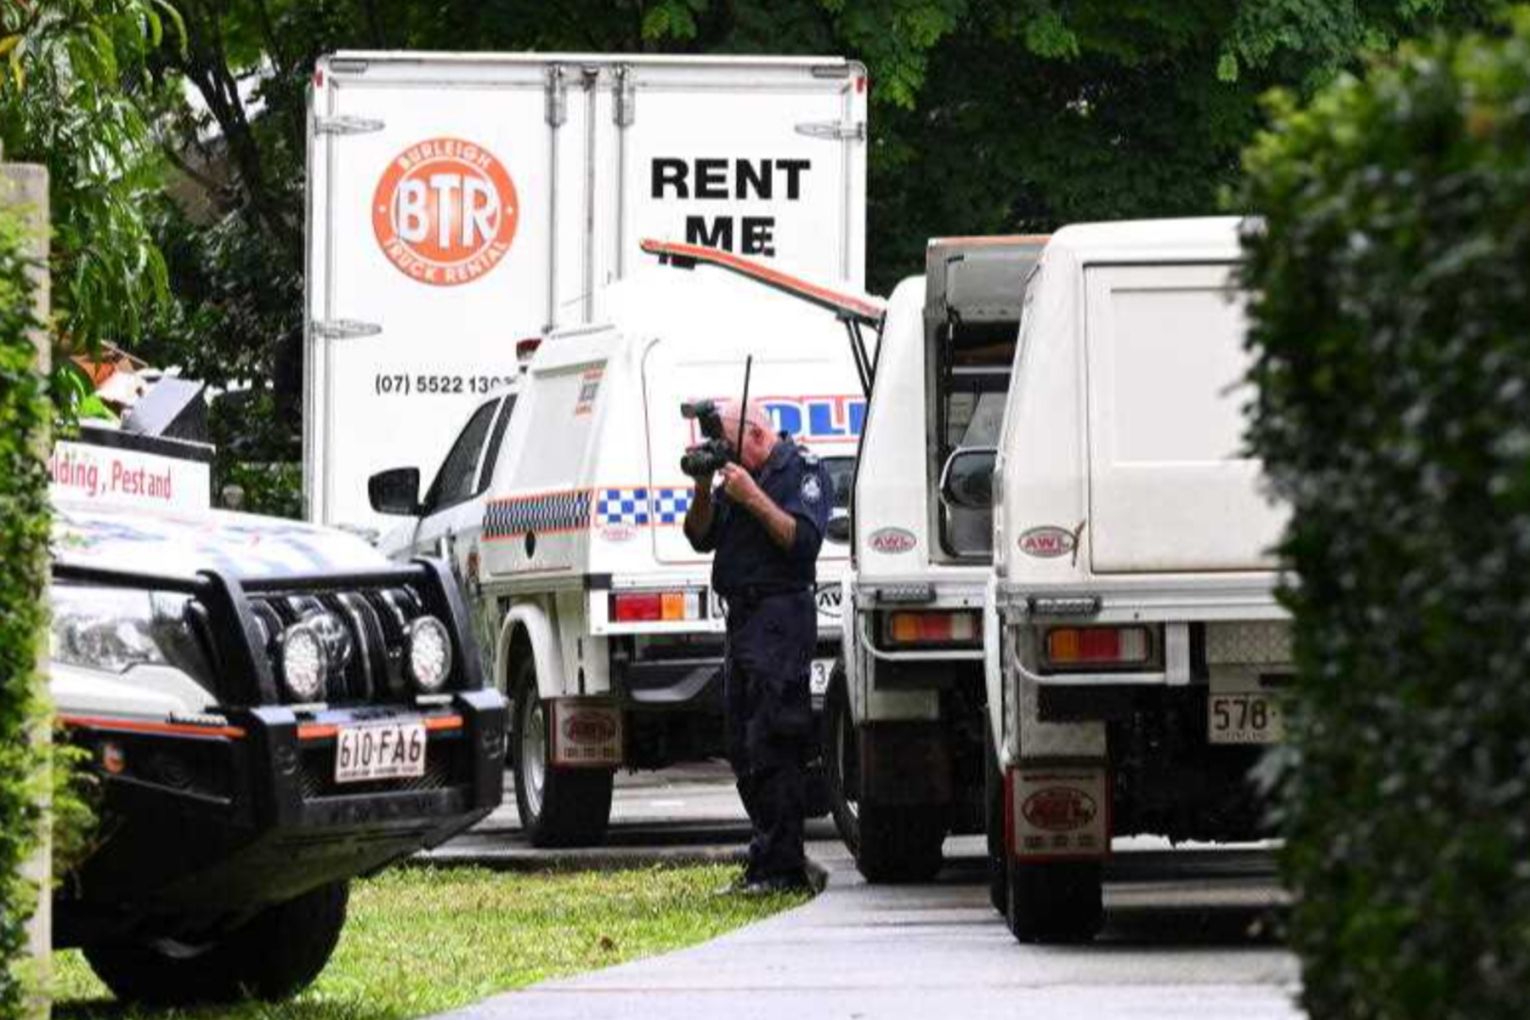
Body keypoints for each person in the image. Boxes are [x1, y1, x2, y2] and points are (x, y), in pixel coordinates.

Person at [684, 398, 832, 893]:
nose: (722, 453)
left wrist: (752, 497)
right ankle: (764, 856)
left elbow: (802, 540)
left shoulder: (801, 469)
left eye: (726, 443)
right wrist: (705, 487)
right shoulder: (734, 477)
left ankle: (785, 867)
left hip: (781, 617)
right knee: (740, 744)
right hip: (743, 620)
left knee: (775, 739)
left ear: (754, 435)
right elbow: (699, 537)